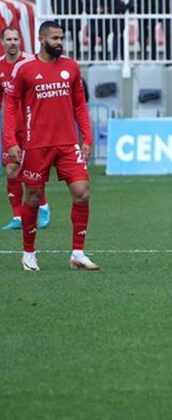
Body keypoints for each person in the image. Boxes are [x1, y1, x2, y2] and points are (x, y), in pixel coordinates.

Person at [3, 21, 99, 271]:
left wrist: (86, 139)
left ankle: (78, 252)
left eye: (61, 38)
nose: (59, 42)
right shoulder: (24, 69)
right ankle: (28, 253)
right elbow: (11, 106)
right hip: (37, 145)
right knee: (33, 197)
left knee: (83, 192)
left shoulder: (71, 67)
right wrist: (11, 141)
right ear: (41, 39)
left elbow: (80, 105)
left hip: (68, 143)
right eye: (54, 38)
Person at [1, 27, 52, 231]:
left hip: (33, 127)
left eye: (15, 39)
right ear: (3, 42)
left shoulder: (31, 62)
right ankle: (17, 217)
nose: (12, 42)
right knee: (12, 170)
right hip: (12, 128)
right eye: (8, 39)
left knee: (33, 171)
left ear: (20, 41)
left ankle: (43, 206)